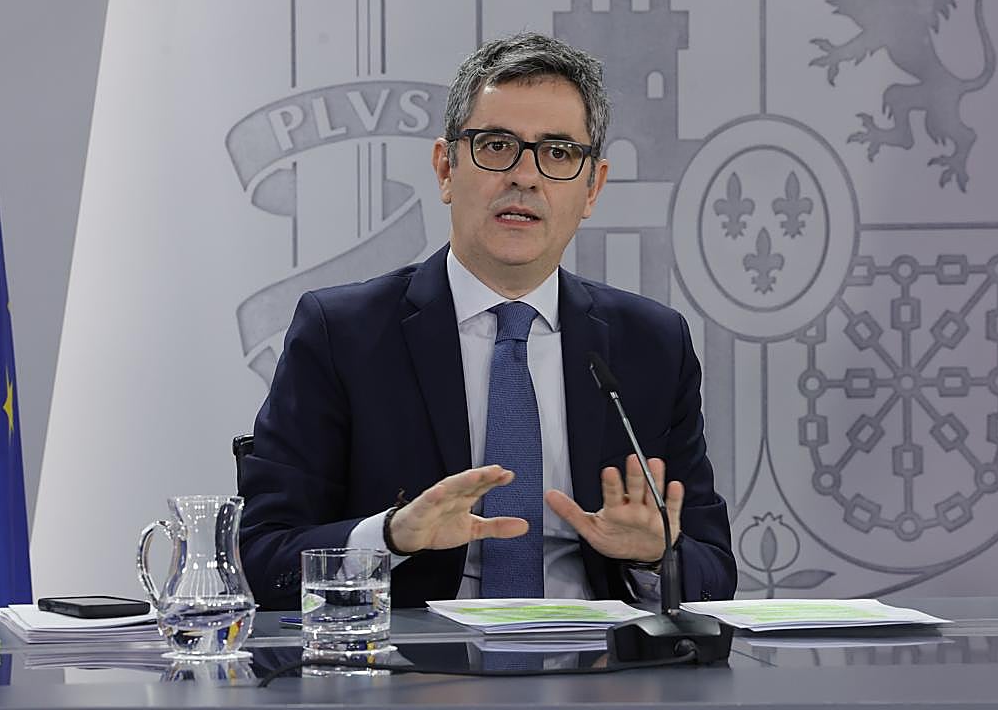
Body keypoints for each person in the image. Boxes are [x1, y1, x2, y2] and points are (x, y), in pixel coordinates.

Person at [239, 33, 736, 610]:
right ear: (445, 169)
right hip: (412, 660)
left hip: (597, 658)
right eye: (497, 146)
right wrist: (391, 536)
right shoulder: (342, 334)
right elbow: (264, 558)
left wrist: (654, 557)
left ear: (593, 187)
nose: (525, 176)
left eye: (558, 153)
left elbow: (714, 573)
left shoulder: (651, 344)